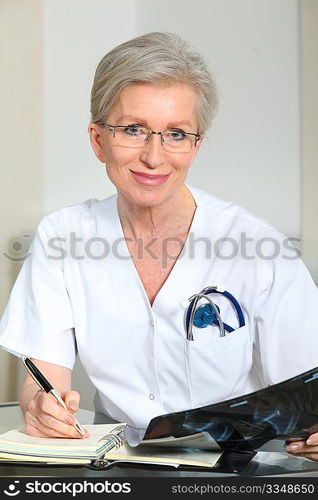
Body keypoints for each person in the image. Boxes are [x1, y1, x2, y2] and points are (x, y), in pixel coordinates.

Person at [0, 32, 318, 461]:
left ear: (196, 144)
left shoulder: (259, 247)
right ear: (98, 140)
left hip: (235, 466)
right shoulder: (62, 236)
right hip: (117, 463)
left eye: (176, 133)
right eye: (133, 130)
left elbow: (306, 396)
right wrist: (44, 408)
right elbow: (45, 380)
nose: (154, 156)